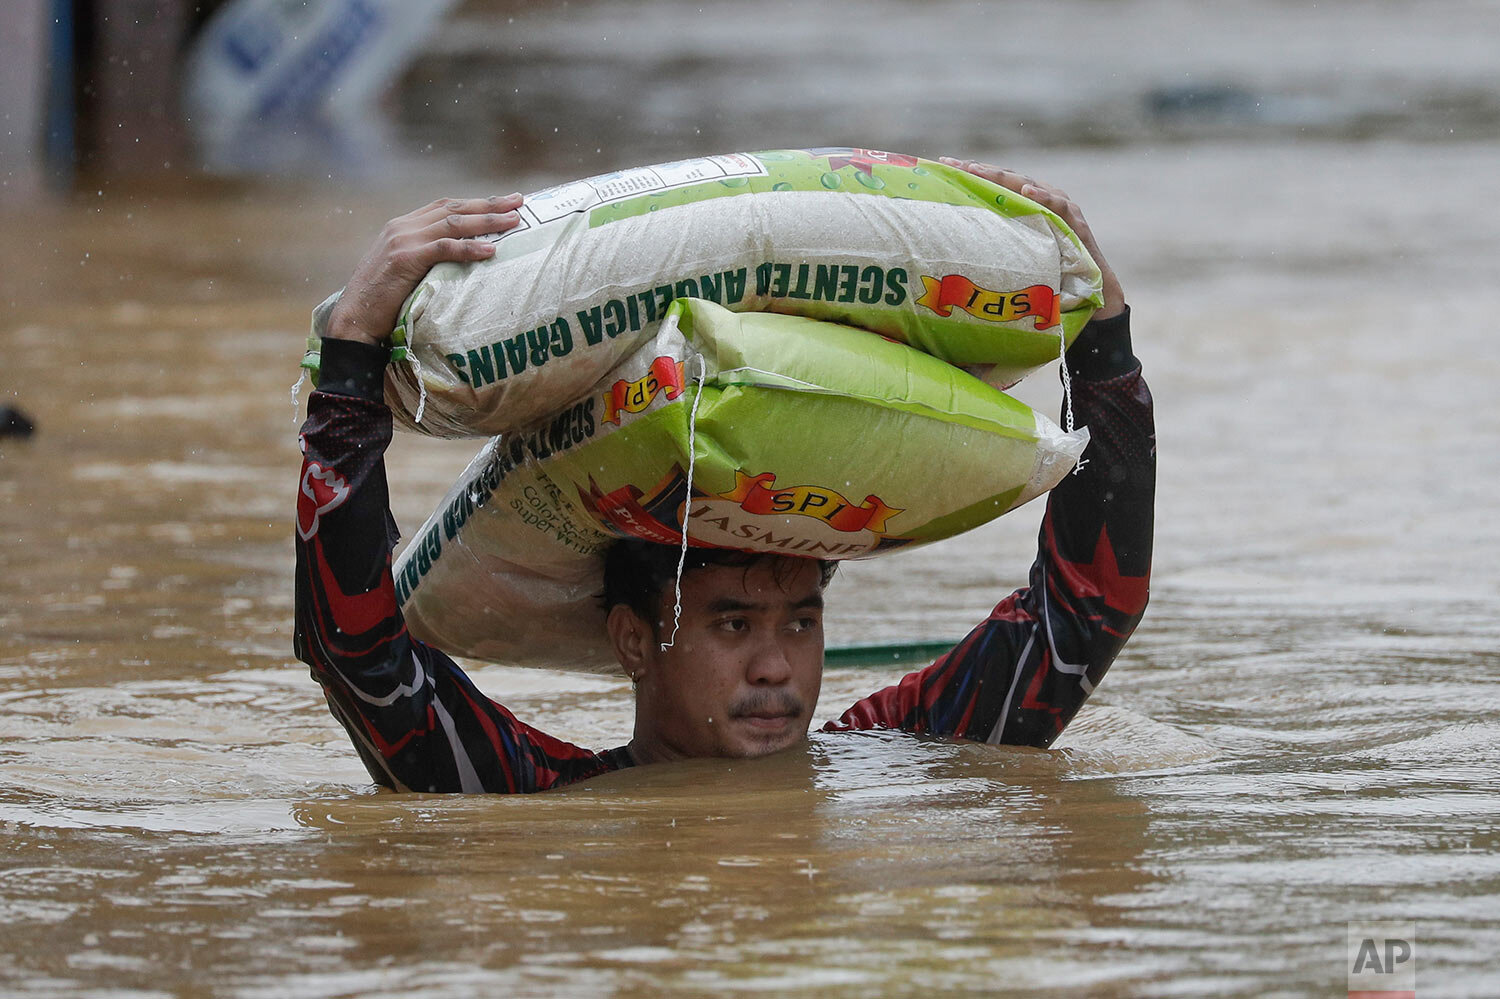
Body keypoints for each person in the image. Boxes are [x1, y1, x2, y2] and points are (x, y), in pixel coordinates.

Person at [293, 160, 1155, 793]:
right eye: (734, 623)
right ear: (633, 638)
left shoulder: (894, 757)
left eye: (801, 621)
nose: (777, 668)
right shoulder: (540, 794)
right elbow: (357, 654)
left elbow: (1086, 611)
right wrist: (353, 357)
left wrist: (1098, 328)